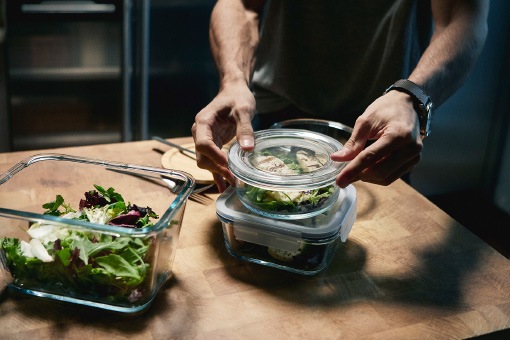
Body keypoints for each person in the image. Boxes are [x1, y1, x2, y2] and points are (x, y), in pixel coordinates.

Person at [192, 0, 489, 192]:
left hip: (383, 127)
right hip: (280, 115)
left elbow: (461, 19)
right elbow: (243, 5)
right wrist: (233, 79)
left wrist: (411, 95)